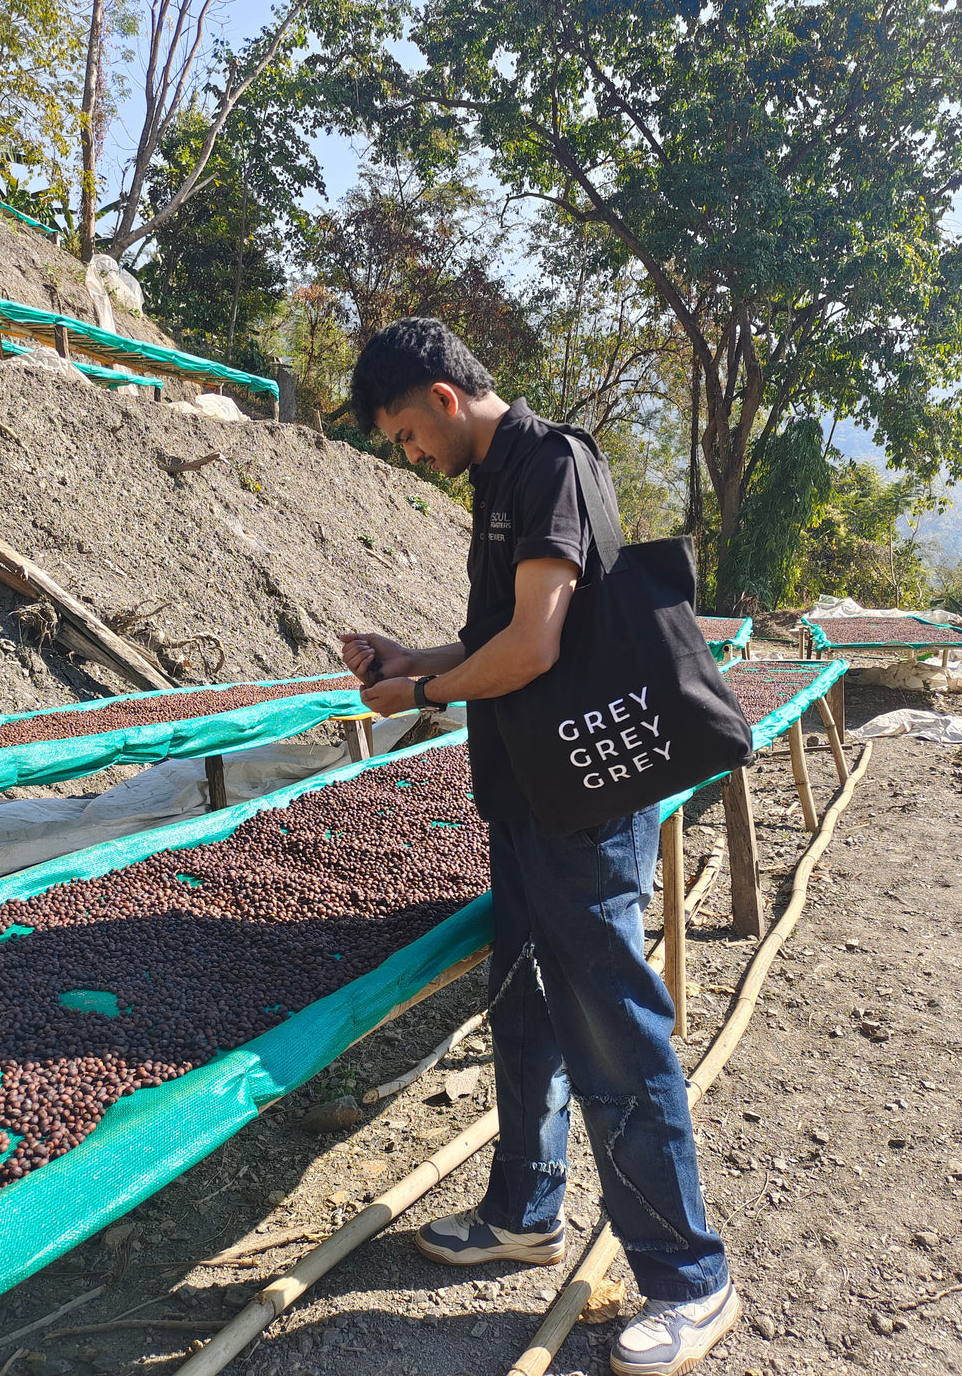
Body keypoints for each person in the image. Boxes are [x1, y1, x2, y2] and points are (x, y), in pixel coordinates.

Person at [340, 317, 739, 1376]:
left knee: (613, 1031)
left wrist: (419, 692)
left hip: (581, 810)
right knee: (520, 1007)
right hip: (523, 799)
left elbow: (532, 647)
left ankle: (688, 1279)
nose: (407, 456)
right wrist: (411, 656)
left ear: (438, 393)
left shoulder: (549, 461)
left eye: (403, 434)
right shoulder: (498, 480)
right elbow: (489, 637)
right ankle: (521, 1211)